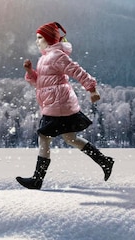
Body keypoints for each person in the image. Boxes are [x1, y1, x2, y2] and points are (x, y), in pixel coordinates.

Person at [16, 22, 114, 190]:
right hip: (57, 104)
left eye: (40, 38)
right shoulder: (46, 58)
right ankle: (104, 161)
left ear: (48, 40)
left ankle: (37, 180)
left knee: (44, 137)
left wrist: (92, 89)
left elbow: (77, 71)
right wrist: (30, 72)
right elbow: (40, 83)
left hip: (58, 105)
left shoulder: (56, 56)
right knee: (70, 138)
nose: (37, 41)